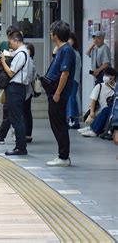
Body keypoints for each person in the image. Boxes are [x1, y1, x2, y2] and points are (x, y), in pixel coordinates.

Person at [45, 20, 76, 167]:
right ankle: (62, 155)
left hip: (59, 95)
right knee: (55, 123)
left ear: (55, 35)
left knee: (59, 124)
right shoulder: (61, 50)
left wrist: (57, 93)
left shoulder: (66, 51)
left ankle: (63, 156)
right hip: (54, 93)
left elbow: (65, 73)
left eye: (52, 32)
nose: (50, 35)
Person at [0, 31, 32, 156]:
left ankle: (21, 147)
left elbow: (11, 73)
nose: (9, 45)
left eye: (10, 42)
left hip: (16, 88)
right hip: (16, 88)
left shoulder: (22, 54)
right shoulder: (21, 53)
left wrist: (2, 61)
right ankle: (20, 146)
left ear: (16, 40)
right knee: (16, 117)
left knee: (17, 118)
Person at [78, 68, 116, 137]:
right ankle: (91, 128)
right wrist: (92, 112)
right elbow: (93, 100)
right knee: (104, 110)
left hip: (111, 111)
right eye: (105, 75)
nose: (105, 77)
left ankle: (94, 131)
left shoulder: (116, 87)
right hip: (100, 111)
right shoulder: (100, 86)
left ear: (113, 77)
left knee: (106, 110)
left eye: (108, 75)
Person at [66, 33, 82, 129]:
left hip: (72, 79)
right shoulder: (75, 52)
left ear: (74, 41)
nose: (68, 42)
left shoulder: (73, 53)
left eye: (70, 40)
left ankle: (70, 119)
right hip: (74, 79)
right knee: (72, 99)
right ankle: (75, 120)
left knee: (70, 100)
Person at [24, 43, 36, 143]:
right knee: (26, 112)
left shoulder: (30, 62)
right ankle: (26, 133)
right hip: (26, 91)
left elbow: (30, 77)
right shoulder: (28, 61)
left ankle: (27, 134)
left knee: (26, 112)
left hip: (27, 91)